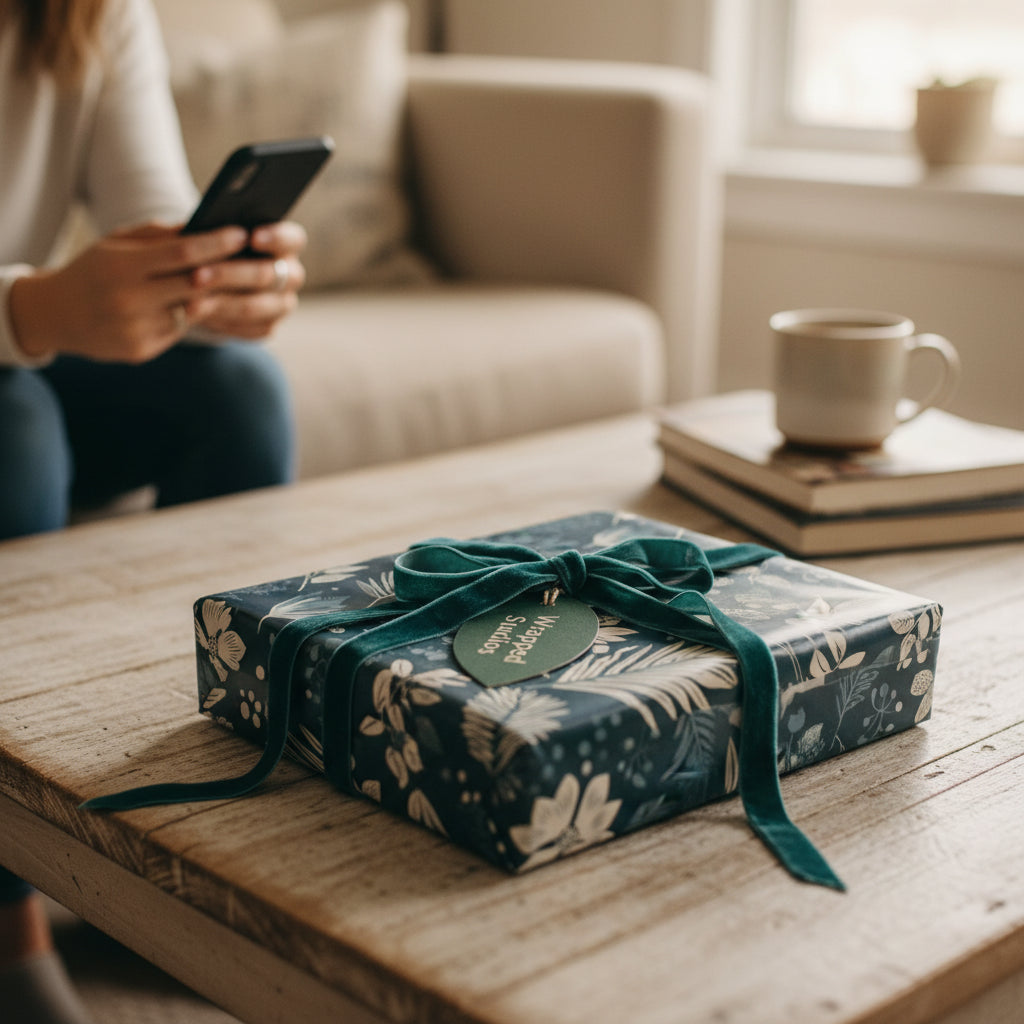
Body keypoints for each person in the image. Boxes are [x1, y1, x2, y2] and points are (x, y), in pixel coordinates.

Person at [0, 0, 306, 1019]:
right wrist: (31, 310)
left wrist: (210, 285)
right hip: (12, 354)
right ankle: (7, 901)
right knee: (15, 426)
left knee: (236, 388)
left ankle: (181, 833)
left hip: (18, 343)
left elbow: (155, 219)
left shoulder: (88, 12)